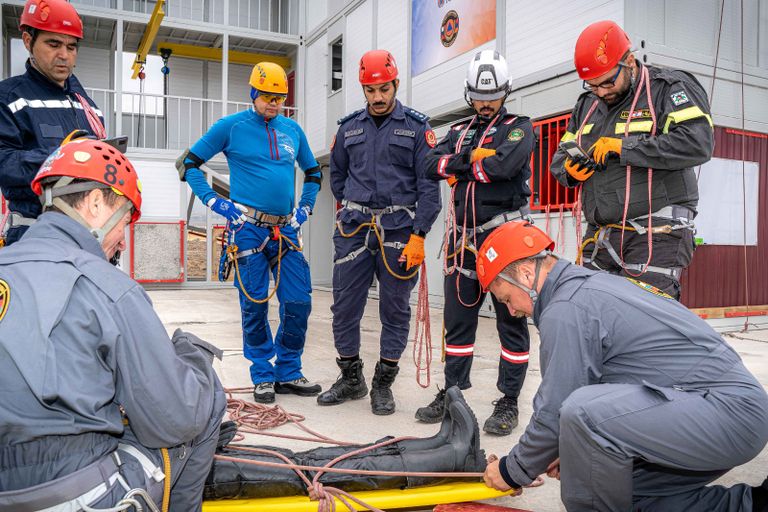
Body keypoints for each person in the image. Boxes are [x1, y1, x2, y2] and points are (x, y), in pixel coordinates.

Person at [475, 220, 768, 512]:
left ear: (526, 274)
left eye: (507, 299)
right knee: (609, 482)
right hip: (722, 412)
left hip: (726, 414)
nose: (512, 311)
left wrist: (512, 470)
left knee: (582, 412)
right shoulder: (592, 287)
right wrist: (577, 447)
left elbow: (556, 408)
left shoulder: (567, 308)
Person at [0, 138, 226, 511]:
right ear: (95, 203)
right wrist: (193, 359)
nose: (122, 239)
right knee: (203, 399)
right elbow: (174, 419)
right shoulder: (108, 286)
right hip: (72, 493)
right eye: (124, 220)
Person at [177, 61, 322, 405]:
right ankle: (262, 374)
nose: (274, 103)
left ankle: (288, 370)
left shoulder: (293, 131)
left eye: (280, 98)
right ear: (254, 94)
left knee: (298, 301)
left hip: (286, 230)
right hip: (247, 231)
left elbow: (314, 173)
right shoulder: (231, 127)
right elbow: (188, 164)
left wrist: (306, 207)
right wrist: (216, 202)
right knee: (254, 305)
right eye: (268, 97)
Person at [415, 50, 534, 436]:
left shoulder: (520, 127)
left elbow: (503, 166)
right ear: (469, 94)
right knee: (458, 322)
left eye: (494, 96)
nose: (486, 103)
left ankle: (509, 401)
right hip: (461, 240)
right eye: (480, 97)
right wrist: (469, 160)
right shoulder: (459, 130)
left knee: (510, 322)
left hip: (506, 239)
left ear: (506, 91)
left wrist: (459, 166)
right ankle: (452, 392)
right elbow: (428, 164)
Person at [549, 20, 714, 300]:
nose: (601, 92)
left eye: (607, 82)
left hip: (656, 234)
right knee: (591, 318)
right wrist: (570, 171)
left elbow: (697, 143)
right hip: (601, 236)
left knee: (644, 326)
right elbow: (559, 159)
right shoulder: (587, 106)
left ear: (629, 61)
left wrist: (624, 147)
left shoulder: (668, 88)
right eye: (593, 86)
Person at [318, 49, 441, 416]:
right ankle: (351, 378)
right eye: (370, 90)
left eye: (384, 89)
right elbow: (336, 177)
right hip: (355, 231)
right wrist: (355, 205)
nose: (377, 97)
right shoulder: (349, 128)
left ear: (395, 84)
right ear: (363, 89)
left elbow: (429, 187)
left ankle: (383, 384)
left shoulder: (418, 129)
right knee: (344, 308)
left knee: (395, 310)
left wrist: (419, 234)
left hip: (401, 233)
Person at [206, 387, 485, 499]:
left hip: (184, 459)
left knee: (306, 458)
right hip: (185, 477)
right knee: (305, 472)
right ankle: (451, 459)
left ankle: (435, 446)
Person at [0, 0, 106, 246]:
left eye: (71, 47)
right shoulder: (9, 98)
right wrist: (61, 157)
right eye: (53, 44)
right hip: (33, 237)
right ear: (28, 41)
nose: (64, 55)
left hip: (86, 237)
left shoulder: (87, 105)